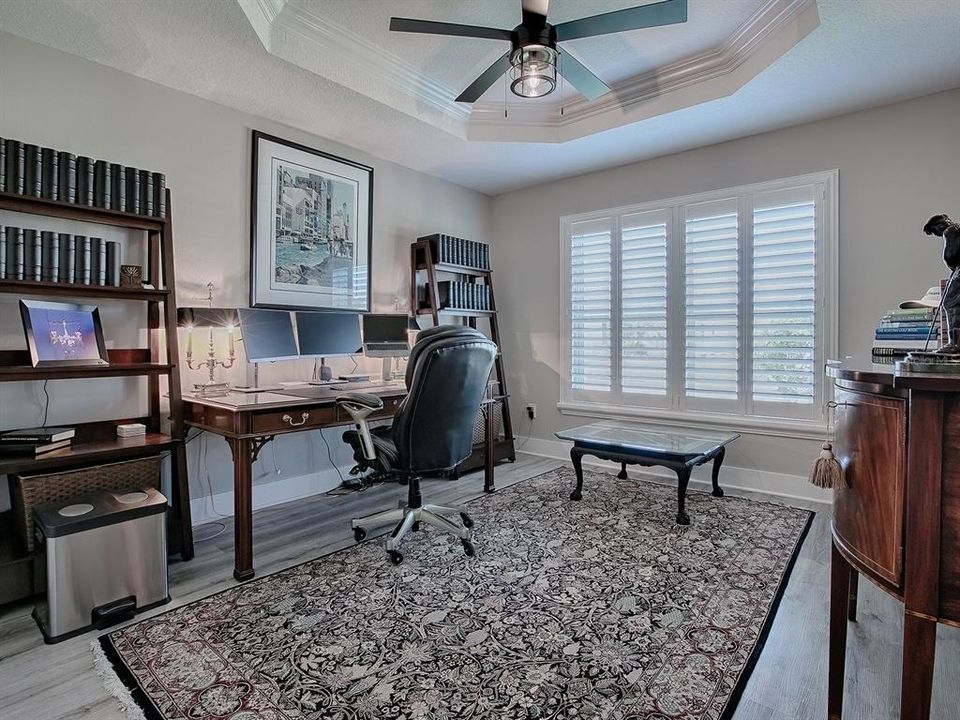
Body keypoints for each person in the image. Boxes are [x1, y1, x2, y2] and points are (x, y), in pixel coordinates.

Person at [923, 213, 960, 352]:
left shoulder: (950, 231)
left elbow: (950, 255)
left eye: (935, 232)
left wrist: (952, 266)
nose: (938, 235)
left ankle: (955, 344)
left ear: (939, 226)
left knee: (950, 302)